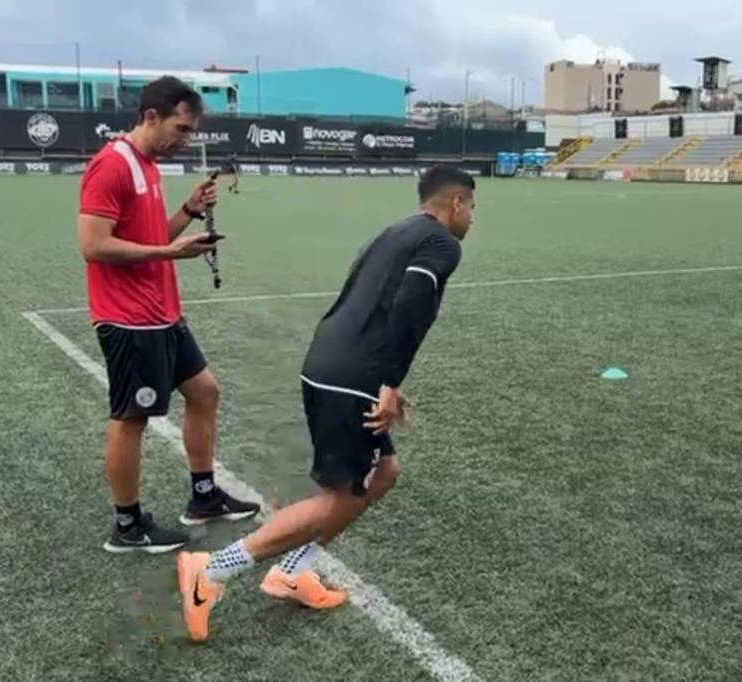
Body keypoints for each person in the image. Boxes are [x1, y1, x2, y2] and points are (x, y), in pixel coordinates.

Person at [177, 166, 475, 642]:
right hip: (356, 375)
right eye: (472, 208)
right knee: (338, 498)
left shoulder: (393, 233)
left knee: (383, 475)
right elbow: (411, 305)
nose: (472, 220)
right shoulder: (442, 243)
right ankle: (210, 571)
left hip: (328, 362)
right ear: (456, 203)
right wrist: (388, 381)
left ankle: (293, 570)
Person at [78, 76, 260, 555]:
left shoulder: (148, 166)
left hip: (163, 313)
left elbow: (150, 233)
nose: (187, 139)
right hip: (128, 318)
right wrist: (169, 251)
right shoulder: (111, 166)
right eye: (181, 128)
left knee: (205, 392)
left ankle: (203, 497)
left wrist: (189, 211)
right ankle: (128, 524)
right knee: (131, 417)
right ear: (151, 116)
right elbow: (93, 245)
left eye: (192, 131)